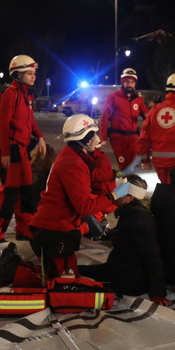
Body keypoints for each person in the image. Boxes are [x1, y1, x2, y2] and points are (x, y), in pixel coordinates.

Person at [29, 115, 129, 279]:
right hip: (54, 232)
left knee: (68, 275)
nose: (97, 139)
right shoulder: (74, 163)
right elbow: (84, 206)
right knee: (64, 283)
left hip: (55, 229)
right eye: (94, 134)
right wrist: (115, 194)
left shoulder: (73, 156)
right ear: (87, 140)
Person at [78, 174, 172, 306]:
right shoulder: (130, 214)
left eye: (120, 191)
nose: (115, 194)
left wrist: (158, 293)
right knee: (79, 270)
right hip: (122, 269)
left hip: (129, 279)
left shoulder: (138, 220)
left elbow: (153, 258)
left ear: (130, 197)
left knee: (81, 280)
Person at [0, 55, 48, 245]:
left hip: (21, 151)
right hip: (10, 151)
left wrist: (41, 137)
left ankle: (25, 230)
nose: (33, 76)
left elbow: (30, 121)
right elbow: (2, 126)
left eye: (34, 73)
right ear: (18, 74)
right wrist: (4, 152)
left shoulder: (26, 95)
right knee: (9, 194)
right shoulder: (11, 94)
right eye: (29, 73)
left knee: (28, 191)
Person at [99, 68, 146, 171]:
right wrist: (104, 138)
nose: (130, 84)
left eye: (132, 82)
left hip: (133, 138)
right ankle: (122, 184)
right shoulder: (113, 97)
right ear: (122, 82)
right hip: (118, 138)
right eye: (127, 81)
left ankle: (130, 185)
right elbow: (104, 118)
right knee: (123, 166)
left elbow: (147, 116)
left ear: (135, 84)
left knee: (133, 166)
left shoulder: (138, 99)